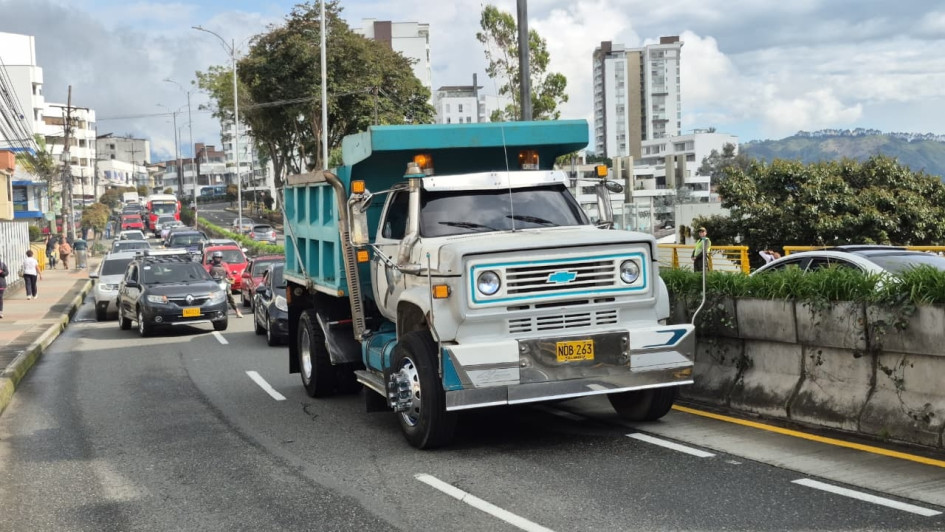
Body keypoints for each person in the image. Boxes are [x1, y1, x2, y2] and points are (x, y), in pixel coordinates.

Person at [207, 251, 243, 318]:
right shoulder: (210, 266)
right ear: (213, 258)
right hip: (214, 284)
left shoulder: (224, 265)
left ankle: (237, 311)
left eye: (219, 258)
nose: (218, 259)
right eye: (216, 258)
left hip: (223, 282)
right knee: (209, 296)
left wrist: (231, 278)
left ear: (221, 258)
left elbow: (229, 273)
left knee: (229, 295)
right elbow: (206, 274)